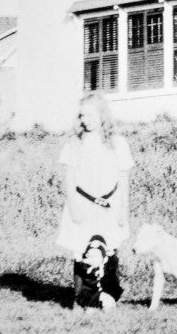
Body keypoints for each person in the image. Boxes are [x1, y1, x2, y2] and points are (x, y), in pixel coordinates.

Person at [55, 92, 134, 309]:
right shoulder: (74, 143)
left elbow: (123, 179)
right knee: (83, 250)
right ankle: (82, 300)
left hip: (111, 205)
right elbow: (70, 180)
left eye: (91, 115)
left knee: (109, 248)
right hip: (82, 203)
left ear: (102, 115)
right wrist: (74, 208)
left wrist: (123, 211)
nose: (86, 120)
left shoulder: (118, 143)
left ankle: (107, 296)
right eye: (82, 116)